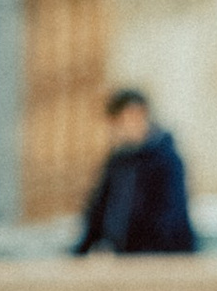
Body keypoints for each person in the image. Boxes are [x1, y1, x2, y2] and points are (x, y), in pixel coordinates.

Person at [76, 88, 197, 255]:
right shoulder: (117, 162)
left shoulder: (166, 160)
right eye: (122, 121)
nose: (129, 126)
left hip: (160, 259)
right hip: (124, 257)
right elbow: (98, 212)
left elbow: (170, 216)